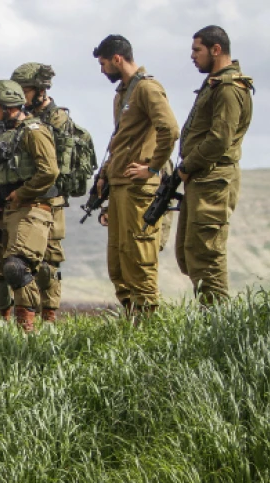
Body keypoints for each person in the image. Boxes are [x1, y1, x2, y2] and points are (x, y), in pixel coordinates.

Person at [93, 34, 179, 314]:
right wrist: (106, 173)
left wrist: (152, 166)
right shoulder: (123, 93)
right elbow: (123, 139)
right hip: (120, 186)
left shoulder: (147, 89)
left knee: (140, 258)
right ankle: (132, 322)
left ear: (117, 59)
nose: (102, 70)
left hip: (138, 189)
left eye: (104, 63)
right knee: (118, 261)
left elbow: (170, 129)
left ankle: (148, 326)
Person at [175, 25, 254, 305]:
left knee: (207, 253)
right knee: (190, 253)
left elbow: (220, 140)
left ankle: (219, 324)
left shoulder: (229, 88)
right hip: (201, 178)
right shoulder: (216, 83)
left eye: (197, 50)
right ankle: (211, 318)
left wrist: (188, 165)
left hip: (213, 179)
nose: (193, 56)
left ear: (216, 50)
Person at [0, 80, 60, 332]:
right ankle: (19, 325)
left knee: (17, 266)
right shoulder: (6, 132)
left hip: (33, 208)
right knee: (4, 268)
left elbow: (49, 171)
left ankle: (28, 327)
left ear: (10, 107)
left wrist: (21, 193)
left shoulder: (34, 131)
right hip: (7, 210)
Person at [10, 63, 73, 323]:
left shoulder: (56, 118)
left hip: (51, 197)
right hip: (27, 198)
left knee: (50, 260)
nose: (20, 95)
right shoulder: (21, 117)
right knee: (23, 259)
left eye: (24, 90)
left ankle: (50, 314)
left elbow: (53, 166)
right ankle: (28, 315)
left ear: (39, 89)